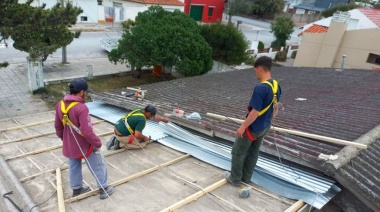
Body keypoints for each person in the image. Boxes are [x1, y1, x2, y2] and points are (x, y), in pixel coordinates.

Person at [225, 56, 282, 186]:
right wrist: (269, 121)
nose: (255, 73)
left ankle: (235, 179)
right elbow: (276, 107)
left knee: (238, 152)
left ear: (260, 69)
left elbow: (255, 112)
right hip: (264, 127)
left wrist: (243, 126)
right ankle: (246, 177)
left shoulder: (261, 88)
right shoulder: (276, 85)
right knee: (253, 152)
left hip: (253, 128)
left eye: (255, 70)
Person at [54, 78, 115, 199]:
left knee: (73, 166)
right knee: (98, 164)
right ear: (82, 92)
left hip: (69, 145)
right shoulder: (81, 108)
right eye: (85, 92)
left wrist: (65, 139)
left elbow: (58, 127)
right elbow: (87, 132)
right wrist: (97, 143)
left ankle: (77, 189)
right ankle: (103, 188)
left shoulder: (59, 105)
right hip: (84, 145)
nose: (86, 94)